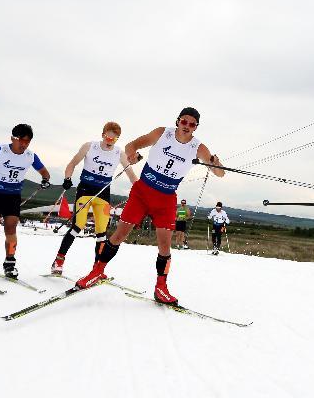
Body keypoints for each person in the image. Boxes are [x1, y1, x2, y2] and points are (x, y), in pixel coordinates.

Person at [75, 107, 225, 304]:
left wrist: (215, 163)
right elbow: (131, 146)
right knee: (119, 234)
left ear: (196, 127)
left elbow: (220, 174)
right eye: (184, 122)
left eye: (192, 124)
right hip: (142, 192)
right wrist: (132, 156)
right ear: (178, 121)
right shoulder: (162, 133)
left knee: (165, 245)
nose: (187, 126)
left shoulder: (199, 148)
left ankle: (161, 288)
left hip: (166, 198)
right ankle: (96, 272)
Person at [50, 122, 139, 274]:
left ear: (117, 139)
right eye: (107, 137)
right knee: (78, 226)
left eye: (114, 138)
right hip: (85, 191)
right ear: (103, 134)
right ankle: (59, 259)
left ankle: (96, 269)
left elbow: (131, 174)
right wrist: (67, 177)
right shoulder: (89, 146)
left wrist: (139, 189)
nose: (110, 140)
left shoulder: (119, 153)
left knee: (101, 232)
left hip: (103, 194)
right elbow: (72, 163)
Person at [0, 123, 52, 279]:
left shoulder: (30, 156)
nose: (24, 144)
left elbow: (44, 172)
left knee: (11, 227)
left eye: (28, 141)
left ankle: (10, 262)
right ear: (13, 138)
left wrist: (45, 179)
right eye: (21, 140)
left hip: (13, 195)